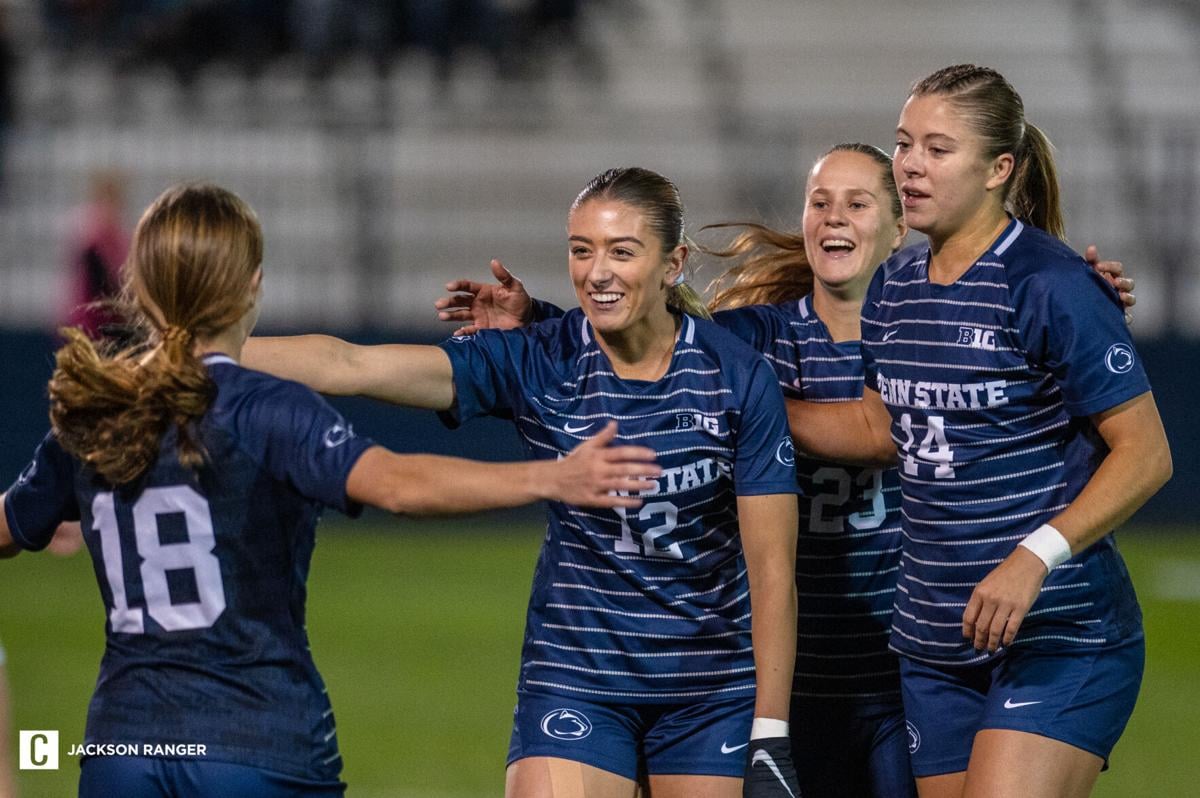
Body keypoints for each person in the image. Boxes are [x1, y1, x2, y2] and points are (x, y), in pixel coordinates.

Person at [434, 145, 1137, 798]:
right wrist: (539, 320)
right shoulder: (757, 337)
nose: (833, 217)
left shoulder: (948, 330)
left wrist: (1077, 303)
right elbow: (653, 354)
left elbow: (1061, 401)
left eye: (858, 203)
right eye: (819, 202)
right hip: (785, 681)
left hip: (905, 671)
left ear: (898, 230)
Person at [0, 182, 662, 798]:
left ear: (140, 291)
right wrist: (552, 476)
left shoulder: (95, 411)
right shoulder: (267, 408)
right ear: (251, 288)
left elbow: (9, 528)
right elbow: (397, 484)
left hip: (122, 751)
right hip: (258, 742)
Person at [242, 167, 804, 798]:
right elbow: (349, 363)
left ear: (673, 264)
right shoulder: (537, 357)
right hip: (577, 675)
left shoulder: (735, 375)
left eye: (622, 251)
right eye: (581, 249)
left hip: (709, 688)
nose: (597, 272)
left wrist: (771, 733)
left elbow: (772, 570)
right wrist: (196, 349)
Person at [782, 65, 1171, 798]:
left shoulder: (1050, 284)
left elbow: (1147, 454)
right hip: (934, 641)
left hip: (1059, 631)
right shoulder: (894, 286)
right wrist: (760, 410)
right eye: (905, 146)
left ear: (1000, 169)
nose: (912, 166)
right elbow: (881, 427)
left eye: (938, 148)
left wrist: (1033, 558)